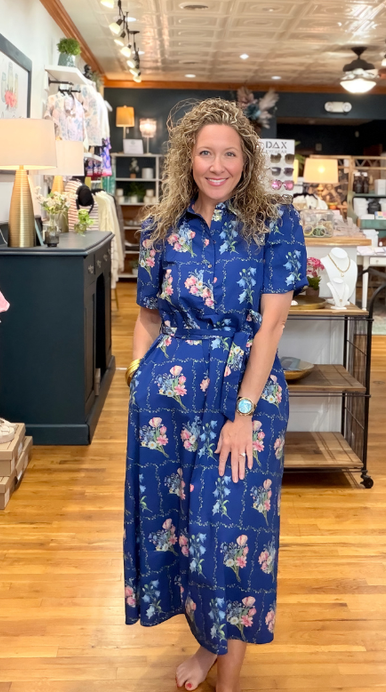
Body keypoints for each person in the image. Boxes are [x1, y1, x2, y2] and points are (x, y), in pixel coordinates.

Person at [123, 97, 308, 692]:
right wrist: (135, 379)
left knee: (231, 535)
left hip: (241, 394)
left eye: (230, 153)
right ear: (188, 158)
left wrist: (244, 414)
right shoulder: (160, 227)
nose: (218, 164)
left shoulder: (276, 225)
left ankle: (226, 681)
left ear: (248, 161)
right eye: (206, 152)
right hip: (167, 402)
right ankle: (207, 646)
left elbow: (273, 327)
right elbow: (147, 317)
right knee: (184, 526)